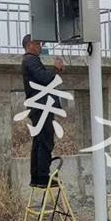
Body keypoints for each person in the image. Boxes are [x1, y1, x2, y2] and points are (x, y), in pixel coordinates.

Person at [21, 34, 64, 187]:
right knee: (45, 142)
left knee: (39, 142)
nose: (41, 47)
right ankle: (44, 178)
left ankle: (37, 178)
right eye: (38, 44)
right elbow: (44, 78)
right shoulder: (31, 60)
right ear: (30, 45)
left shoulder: (30, 61)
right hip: (41, 107)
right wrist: (56, 69)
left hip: (38, 107)